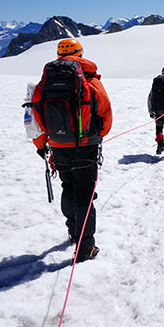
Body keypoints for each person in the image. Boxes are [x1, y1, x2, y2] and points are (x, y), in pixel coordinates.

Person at [31, 39, 112, 262]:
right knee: (85, 195)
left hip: (58, 146)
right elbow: (105, 111)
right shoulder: (89, 79)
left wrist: (41, 145)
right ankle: (86, 247)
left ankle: (73, 233)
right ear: (80, 53)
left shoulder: (46, 81)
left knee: (69, 187)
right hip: (86, 145)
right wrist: (98, 135)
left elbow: (35, 116)